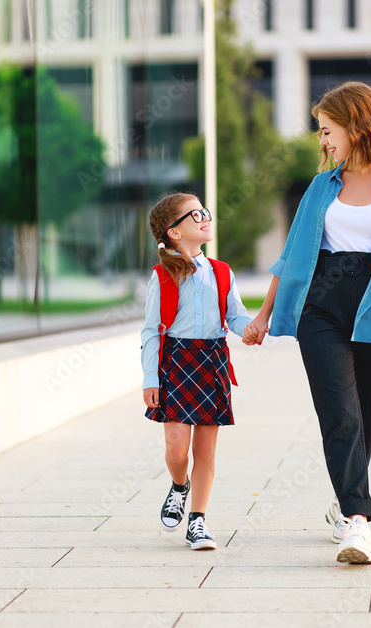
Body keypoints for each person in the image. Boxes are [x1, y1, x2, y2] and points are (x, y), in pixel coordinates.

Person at [243, 81, 371, 564]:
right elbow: (291, 258)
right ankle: (360, 524)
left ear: (356, 125)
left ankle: (344, 502)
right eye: (319, 132)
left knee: (365, 413)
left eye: (328, 130)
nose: (322, 141)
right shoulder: (320, 188)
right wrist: (264, 315)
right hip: (319, 305)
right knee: (339, 410)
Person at [141, 192, 257, 551]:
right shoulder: (161, 277)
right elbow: (150, 331)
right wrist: (149, 378)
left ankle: (198, 522)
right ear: (174, 233)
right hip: (175, 362)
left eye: (204, 211)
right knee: (178, 449)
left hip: (212, 361)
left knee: (205, 451)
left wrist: (249, 329)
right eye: (195, 214)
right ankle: (179, 486)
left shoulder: (221, 272)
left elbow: (234, 316)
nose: (205, 217)